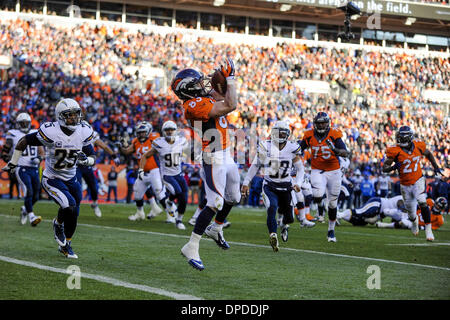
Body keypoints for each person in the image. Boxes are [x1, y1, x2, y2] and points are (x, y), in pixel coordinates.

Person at [2, 98, 97, 259]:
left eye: (76, 115)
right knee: (69, 205)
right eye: (70, 115)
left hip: (71, 177)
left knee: (74, 211)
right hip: (52, 178)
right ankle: (58, 226)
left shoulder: (83, 131)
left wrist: (87, 160)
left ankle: (66, 242)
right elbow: (23, 141)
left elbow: (92, 154)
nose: (74, 118)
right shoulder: (51, 131)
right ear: (60, 116)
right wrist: (13, 162)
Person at [173, 59, 241, 271]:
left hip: (225, 153)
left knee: (234, 197)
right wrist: (229, 79)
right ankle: (191, 246)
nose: (203, 84)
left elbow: (225, 98)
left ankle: (216, 228)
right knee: (216, 203)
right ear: (188, 89)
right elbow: (231, 104)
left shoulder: (203, 98)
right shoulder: (192, 105)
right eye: (198, 83)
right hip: (213, 157)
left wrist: (224, 81)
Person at [241, 121, 305, 251]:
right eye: (278, 132)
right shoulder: (266, 146)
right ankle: (273, 235)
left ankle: (283, 224)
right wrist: (246, 182)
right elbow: (255, 165)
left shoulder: (292, 147)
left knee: (290, 218)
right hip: (270, 185)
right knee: (272, 207)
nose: (280, 135)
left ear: (287, 134)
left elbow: (300, 169)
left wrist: (298, 183)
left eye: (283, 133)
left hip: (287, 187)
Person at [382, 125, 445, 241]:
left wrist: (436, 167)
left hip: (418, 180)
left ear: (408, 138)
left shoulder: (419, 145)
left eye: (402, 137)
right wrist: (393, 167)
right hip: (405, 185)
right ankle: (415, 222)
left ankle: (428, 230)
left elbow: (429, 154)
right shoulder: (395, 151)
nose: (399, 139)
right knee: (411, 214)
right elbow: (384, 168)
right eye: (399, 137)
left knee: (422, 201)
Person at [298, 112, 350, 242]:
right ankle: (320, 209)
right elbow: (299, 148)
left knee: (333, 204)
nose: (321, 125)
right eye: (319, 123)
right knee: (317, 195)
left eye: (323, 122)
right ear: (315, 124)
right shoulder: (309, 134)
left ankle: (331, 230)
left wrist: (335, 150)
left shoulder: (334, 134)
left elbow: (345, 153)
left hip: (334, 171)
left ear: (328, 123)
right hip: (317, 170)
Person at [139, 120, 189, 230]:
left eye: (171, 130)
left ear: (175, 131)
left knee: (184, 198)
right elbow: (145, 156)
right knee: (177, 191)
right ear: (163, 131)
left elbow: (188, 152)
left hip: (179, 174)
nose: (169, 132)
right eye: (167, 130)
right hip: (167, 175)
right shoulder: (159, 143)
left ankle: (179, 219)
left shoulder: (181, 141)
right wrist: (141, 170)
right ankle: (170, 201)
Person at [118, 121, 171, 221]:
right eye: (139, 132)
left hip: (154, 170)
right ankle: (140, 213)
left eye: (143, 132)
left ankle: (170, 215)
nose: (141, 134)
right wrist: (121, 146)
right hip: (142, 171)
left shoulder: (154, 138)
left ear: (148, 131)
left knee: (159, 194)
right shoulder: (135, 141)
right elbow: (126, 151)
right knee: (137, 193)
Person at [1, 112, 44, 226]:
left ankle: (25, 209)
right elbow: (4, 152)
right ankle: (31, 216)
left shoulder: (35, 133)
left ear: (30, 123)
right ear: (18, 124)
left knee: (36, 195)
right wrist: (11, 161)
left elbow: (41, 151)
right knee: (28, 190)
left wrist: (39, 158)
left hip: (34, 168)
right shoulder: (13, 134)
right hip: (21, 168)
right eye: (22, 123)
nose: (24, 125)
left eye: (26, 123)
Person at [376, 197, 447, 231]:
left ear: (442, 208)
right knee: (387, 211)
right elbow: (416, 206)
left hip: (414, 223)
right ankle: (374, 219)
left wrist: (419, 227)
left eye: (439, 207)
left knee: (404, 223)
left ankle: (384, 225)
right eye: (437, 205)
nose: (437, 207)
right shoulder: (429, 202)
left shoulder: (440, 219)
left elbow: (429, 228)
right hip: (409, 215)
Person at [337, 195, 405, 226]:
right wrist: (405, 210)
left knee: (360, 222)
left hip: (379, 211)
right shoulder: (403, 198)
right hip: (378, 203)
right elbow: (400, 203)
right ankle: (338, 215)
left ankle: (341, 216)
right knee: (360, 211)